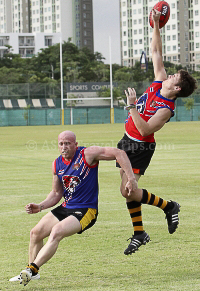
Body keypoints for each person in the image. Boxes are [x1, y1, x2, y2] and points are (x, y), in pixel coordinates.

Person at [10, 130, 137, 286]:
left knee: (56, 231)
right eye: (61, 143)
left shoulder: (87, 154)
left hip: (86, 210)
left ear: (75, 144)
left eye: (68, 143)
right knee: (35, 233)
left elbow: (119, 153)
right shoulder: (57, 164)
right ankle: (31, 273)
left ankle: (32, 269)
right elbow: (57, 193)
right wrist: (40, 206)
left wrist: (130, 178)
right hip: (66, 206)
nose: (64, 147)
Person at [117, 9, 197, 255]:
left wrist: (132, 106)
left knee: (128, 190)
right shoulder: (160, 81)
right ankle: (139, 233)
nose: (169, 74)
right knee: (127, 191)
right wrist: (155, 26)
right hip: (126, 140)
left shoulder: (165, 109)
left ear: (178, 87)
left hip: (140, 147)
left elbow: (144, 129)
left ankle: (168, 206)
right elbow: (156, 52)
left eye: (175, 76)